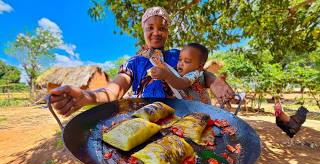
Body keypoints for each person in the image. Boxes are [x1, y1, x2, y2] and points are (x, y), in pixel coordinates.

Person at [50, 7, 234, 116]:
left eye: (162, 28)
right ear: (143, 30)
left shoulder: (177, 56)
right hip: (146, 119)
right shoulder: (134, 63)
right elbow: (114, 90)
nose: (156, 32)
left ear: (167, 32)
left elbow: (198, 71)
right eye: (150, 27)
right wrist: (87, 97)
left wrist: (215, 81)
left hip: (181, 118)